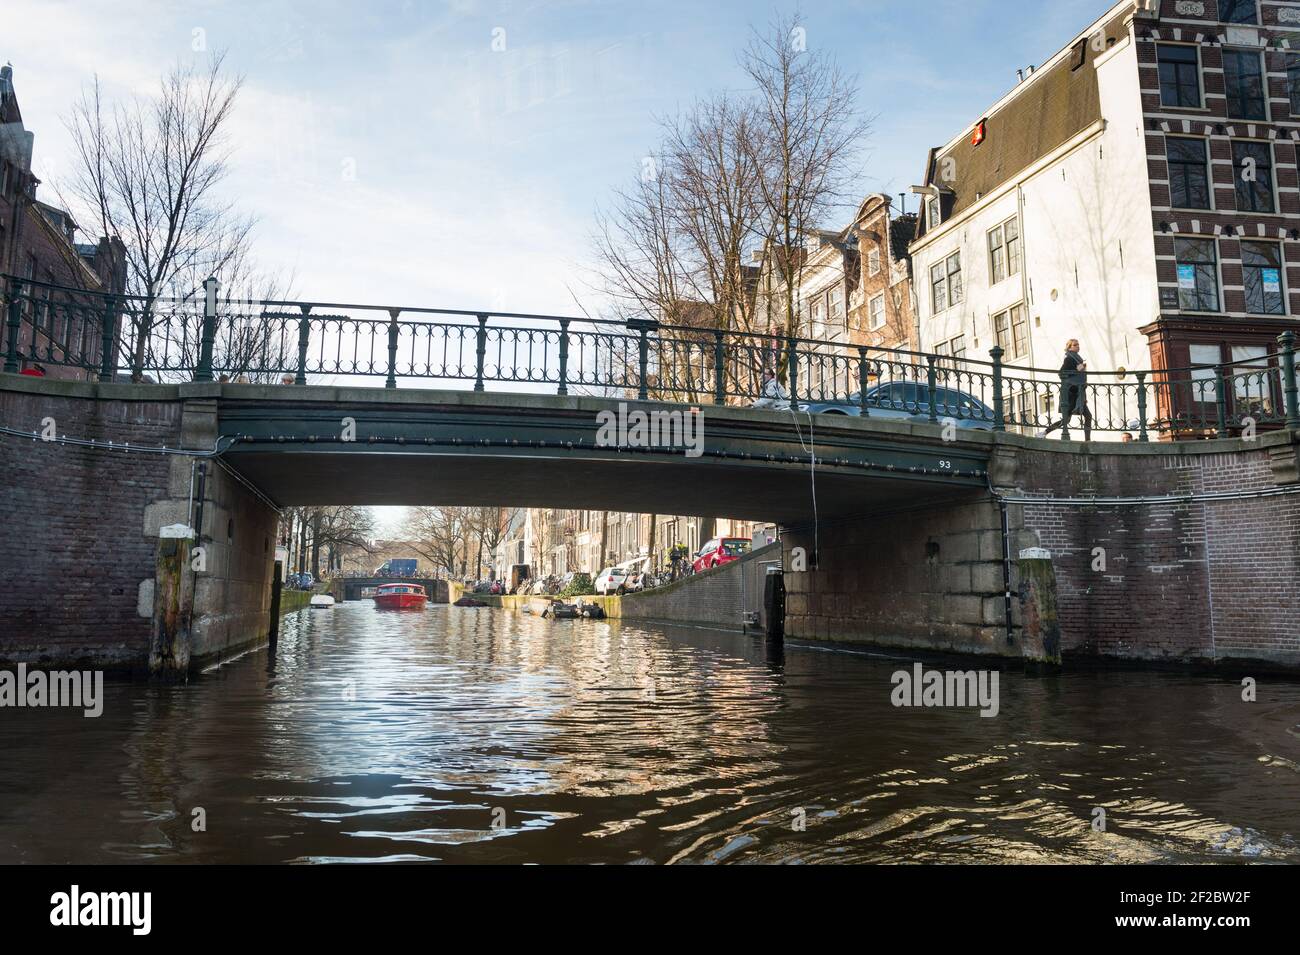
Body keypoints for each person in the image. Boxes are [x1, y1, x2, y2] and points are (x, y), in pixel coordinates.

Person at [1043, 338, 1092, 441]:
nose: (1078, 346)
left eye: (1078, 344)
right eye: (1075, 345)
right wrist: (1077, 369)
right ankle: (1045, 432)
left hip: (1079, 394)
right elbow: (1062, 373)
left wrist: (1084, 397)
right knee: (1067, 419)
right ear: (1069, 347)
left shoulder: (1078, 359)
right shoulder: (1069, 358)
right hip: (1071, 393)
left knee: (1088, 416)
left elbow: (1081, 381)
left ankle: (1087, 440)